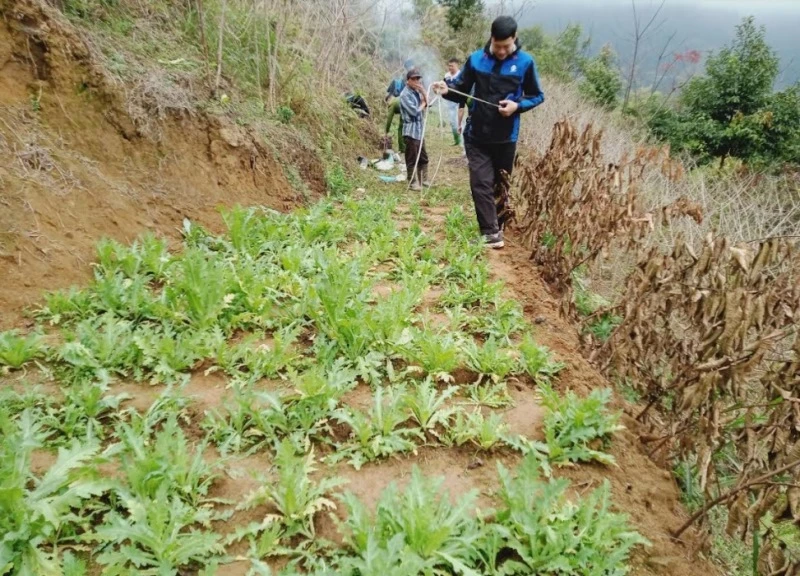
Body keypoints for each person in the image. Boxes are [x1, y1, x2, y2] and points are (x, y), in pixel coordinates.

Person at [433, 15, 544, 249]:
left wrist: (517, 106)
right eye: (497, 45)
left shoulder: (525, 62)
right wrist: (446, 89)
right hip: (477, 135)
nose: (501, 51)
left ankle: (498, 227)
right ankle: (490, 233)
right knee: (480, 182)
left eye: (506, 46)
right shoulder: (476, 60)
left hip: (506, 137)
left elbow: (537, 95)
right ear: (491, 39)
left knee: (500, 184)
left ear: (514, 38)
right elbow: (461, 89)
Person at [399, 67, 429, 191]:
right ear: (408, 81)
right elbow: (414, 111)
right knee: (412, 158)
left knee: (423, 157)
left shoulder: (416, 91)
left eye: (418, 79)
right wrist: (423, 104)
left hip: (419, 130)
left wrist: (423, 92)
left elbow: (428, 103)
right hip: (410, 131)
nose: (416, 81)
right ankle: (412, 182)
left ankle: (424, 180)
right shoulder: (404, 94)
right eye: (414, 79)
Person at [444, 58, 466, 146]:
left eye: (452, 66)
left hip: (459, 101)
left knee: (460, 121)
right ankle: (457, 140)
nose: (450, 67)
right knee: (452, 122)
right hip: (450, 103)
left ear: (457, 65)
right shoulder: (447, 75)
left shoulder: (461, 75)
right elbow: (444, 87)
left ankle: (463, 141)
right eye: (449, 66)